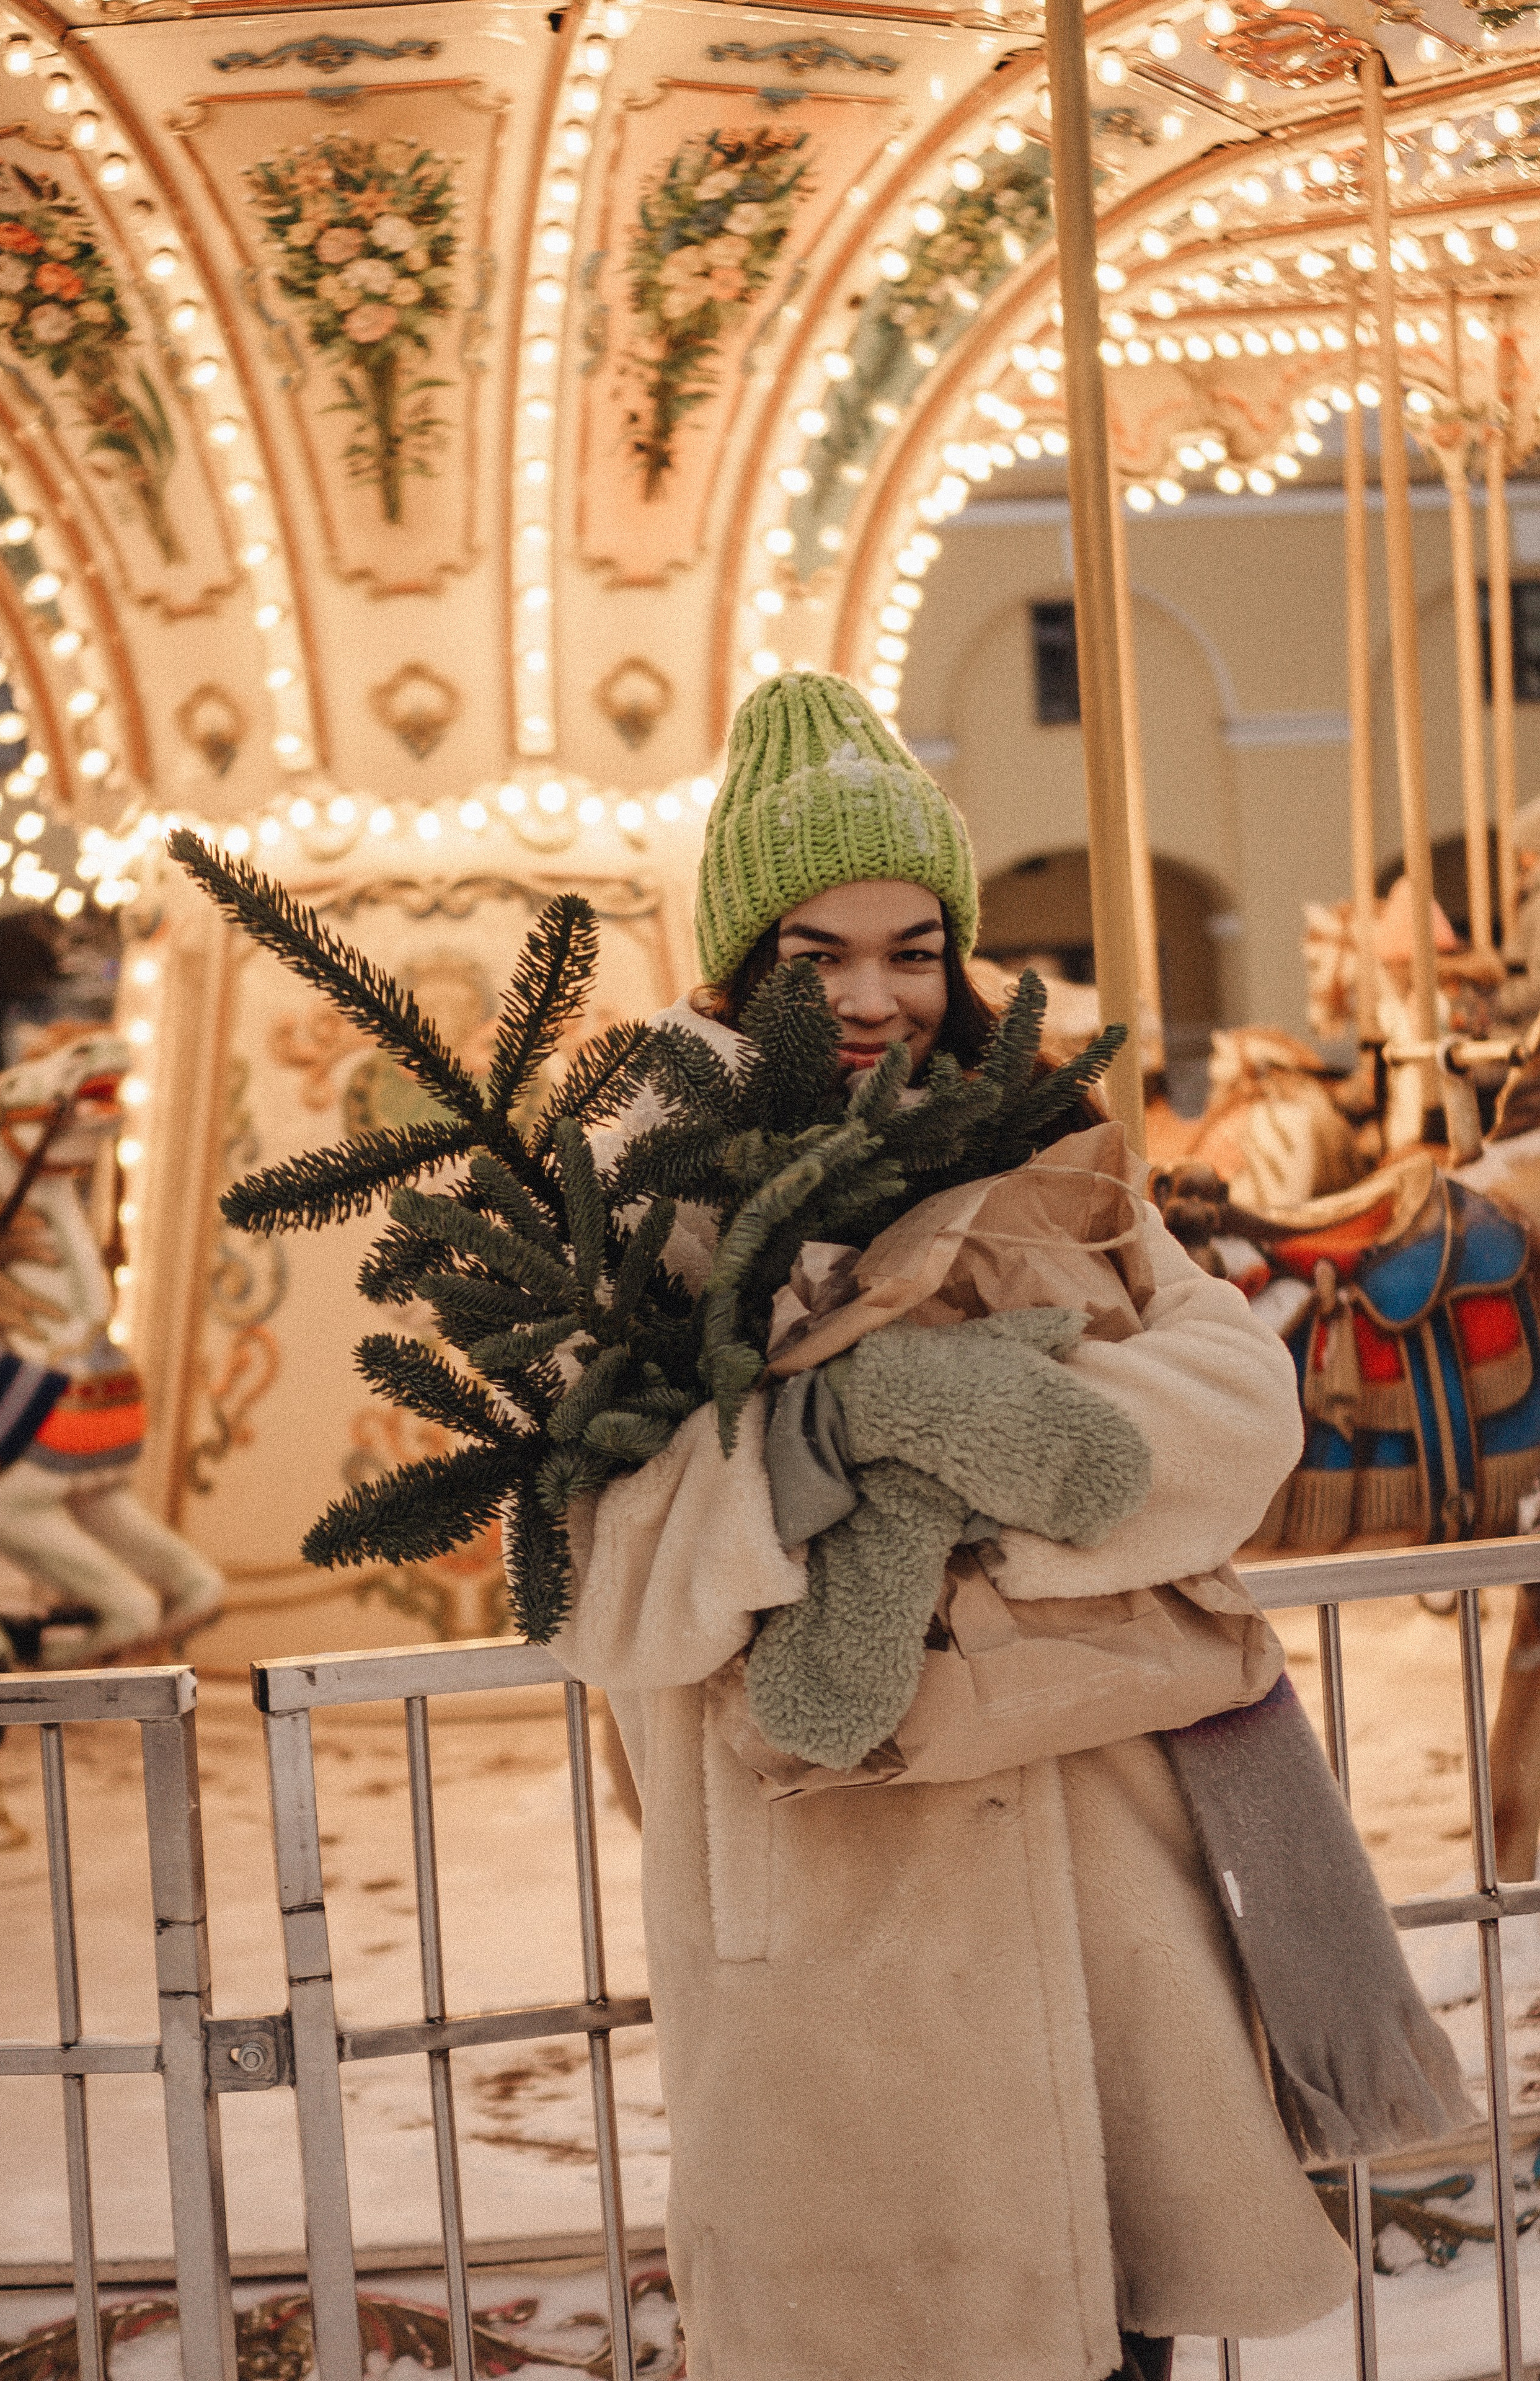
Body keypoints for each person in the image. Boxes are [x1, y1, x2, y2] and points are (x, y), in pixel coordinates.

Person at [552, 673, 1407, 2381]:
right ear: (741, 967)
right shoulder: (652, 1203)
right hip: (843, 1954)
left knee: (1126, 2335)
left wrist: (980, 1487)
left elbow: (1240, 1411)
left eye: (913, 948)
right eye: (819, 956)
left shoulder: (1047, 1148)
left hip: (1111, 1918)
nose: (874, 997)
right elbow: (614, 1579)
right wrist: (838, 1442)